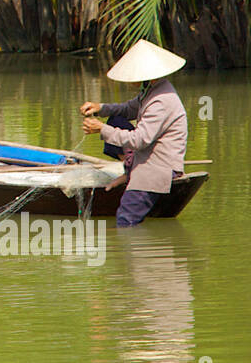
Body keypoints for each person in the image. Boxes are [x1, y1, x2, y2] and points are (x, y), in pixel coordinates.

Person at [80, 39, 188, 227]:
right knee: (116, 119)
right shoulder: (151, 91)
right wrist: (100, 108)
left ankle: (135, 251)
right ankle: (130, 171)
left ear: (148, 76)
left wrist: (101, 129)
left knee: (125, 218)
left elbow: (139, 141)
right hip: (148, 159)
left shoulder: (160, 101)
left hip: (158, 167)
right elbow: (129, 108)